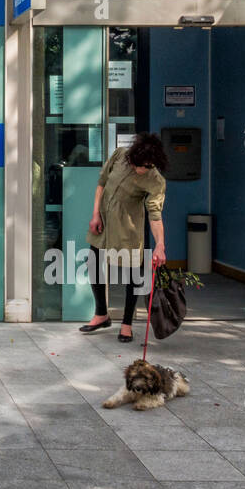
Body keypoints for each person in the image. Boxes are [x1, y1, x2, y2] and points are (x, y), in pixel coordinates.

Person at [80, 133, 169, 343]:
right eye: (141, 165)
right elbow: (101, 184)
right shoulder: (120, 155)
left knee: (132, 275)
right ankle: (101, 314)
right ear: (133, 156)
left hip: (127, 228)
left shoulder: (155, 180)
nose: (143, 169)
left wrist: (160, 246)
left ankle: (127, 324)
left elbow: (155, 214)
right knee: (94, 264)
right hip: (103, 223)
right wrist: (95, 214)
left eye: (148, 166)